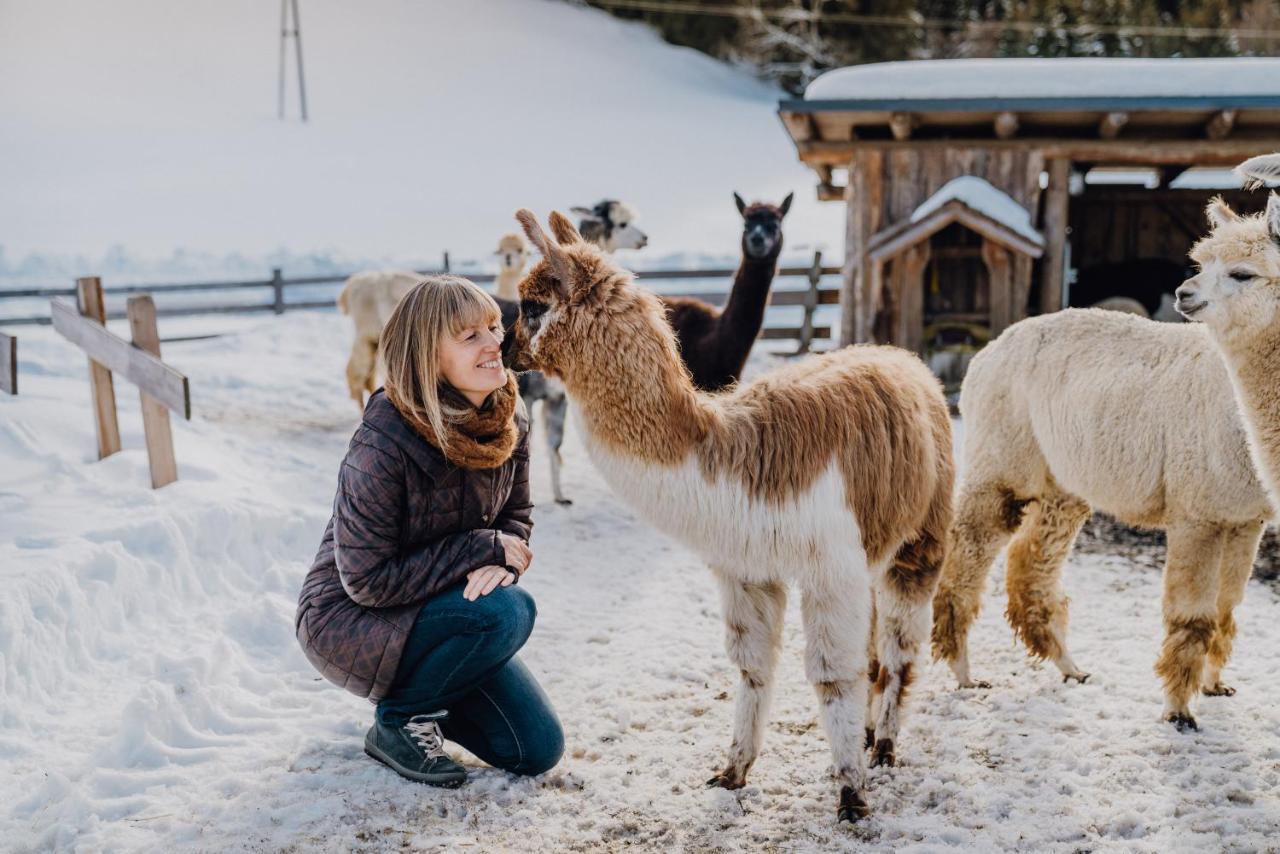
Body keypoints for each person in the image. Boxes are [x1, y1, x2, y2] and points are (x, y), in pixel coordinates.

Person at [295, 275, 562, 787]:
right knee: (509, 611)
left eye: (491, 327)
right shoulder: (382, 444)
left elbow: (516, 518)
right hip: (348, 619)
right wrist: (480, 548)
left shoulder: (511, 416)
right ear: (427, 356)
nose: (495, 343)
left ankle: (427, 698)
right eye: (470, 337)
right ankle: (397, 722)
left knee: (535, 749)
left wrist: (503, 557)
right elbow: (367, 582)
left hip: (443, 609)